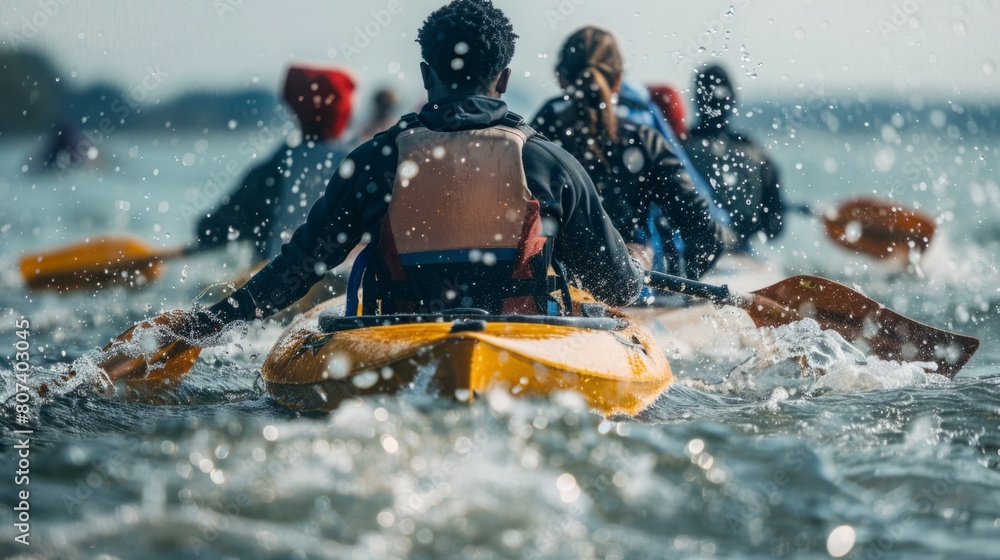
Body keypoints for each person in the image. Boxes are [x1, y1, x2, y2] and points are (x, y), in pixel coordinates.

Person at [115, 0, 644, 350]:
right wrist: (626, 264)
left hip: (396, 345)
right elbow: (616, 286)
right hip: (522, 345)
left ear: (425, 76)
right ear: (503, 78)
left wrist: (208, 324)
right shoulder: (552, 165)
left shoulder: (377, 159)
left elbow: (298, 269)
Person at [532, 27, 723, 279]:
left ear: (560, 78)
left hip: (551, 290)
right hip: (628, 288)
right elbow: (706, 233)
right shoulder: (644, 142)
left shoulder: (535, 138)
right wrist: (686, 284)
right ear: (619, 80)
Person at [196, 63, 356, 263]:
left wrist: (247, 231)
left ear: (296, 110)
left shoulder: (277, 166)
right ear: (344, 112)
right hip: (343, 275)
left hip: (280, 276)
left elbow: (210, 230)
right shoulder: (361, 160)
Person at [683, 64, 786, 253]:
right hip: (740, 257)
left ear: (697, 101)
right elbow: (774, 228)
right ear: (732, 101)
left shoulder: (677, 149)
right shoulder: (756, 154)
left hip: (690, 254)